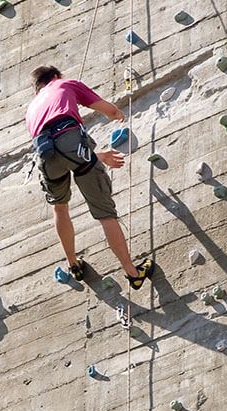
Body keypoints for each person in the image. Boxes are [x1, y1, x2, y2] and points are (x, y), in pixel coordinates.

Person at [25, 65, 154, 289]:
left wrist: (98, 156)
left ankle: (73, 264)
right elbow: (109, 112)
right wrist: (118, 115)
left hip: (45, 156)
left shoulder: (31, 108)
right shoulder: (65, 84)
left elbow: (58, 145)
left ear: (38, 87)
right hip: (73, 146)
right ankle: (133, 273)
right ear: (56, 76)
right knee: (105, 214)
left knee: (60, 208)